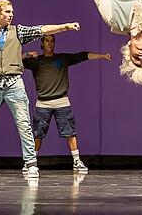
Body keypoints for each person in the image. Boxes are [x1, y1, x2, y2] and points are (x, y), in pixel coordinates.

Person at [0, 0, 80, 179]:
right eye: (7, 12)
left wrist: (65, 26)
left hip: (14, 84)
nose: (11, 15)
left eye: (12, 12)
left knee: (24, 125)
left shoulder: (18, 31)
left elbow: (42, 29)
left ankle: (31, 164)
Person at [22, 34, 111, 174]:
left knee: (70, 133)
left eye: (52, 41)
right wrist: (26, 54)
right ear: (41, 44)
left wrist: (102, 56)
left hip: (62, 102)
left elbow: (83, 56)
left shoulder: (62, 59)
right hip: (43, 104)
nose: (49, 43)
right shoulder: (35, 61)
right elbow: (13, 60)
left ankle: (76, 161)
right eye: (47, 41)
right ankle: (31, 162)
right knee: (37, 135)